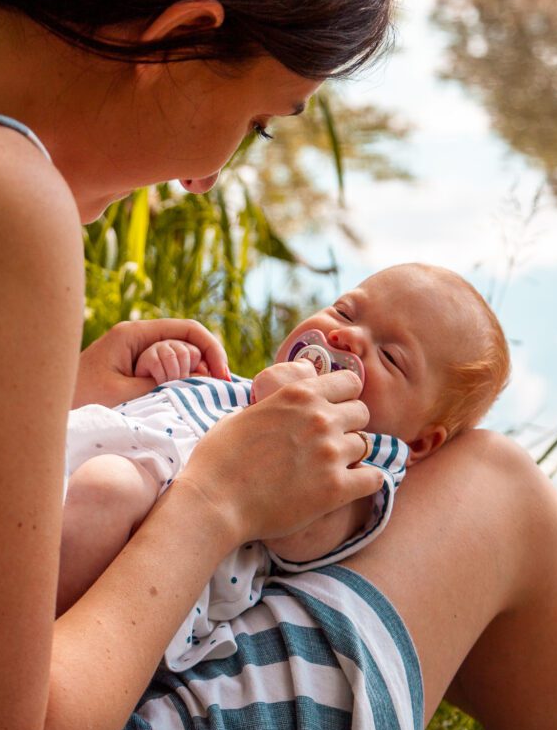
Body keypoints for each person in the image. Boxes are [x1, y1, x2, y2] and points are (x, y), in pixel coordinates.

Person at [0, 0, 557, 730]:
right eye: (260, 120)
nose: (206, 178)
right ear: (176, 38)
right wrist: (216, 499)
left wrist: (69, 393)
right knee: (491, 491)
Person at [58, 261, 511, 672]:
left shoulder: (360, 471)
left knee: (107, 489)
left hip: (146, 562)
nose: (347, 337)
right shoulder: (230, 388)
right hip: (60, 471)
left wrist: (282, 398)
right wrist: (165, 365)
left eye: (391, 356)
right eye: (345, 312)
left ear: (419, 441)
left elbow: (302, 537)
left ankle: (32, 640)